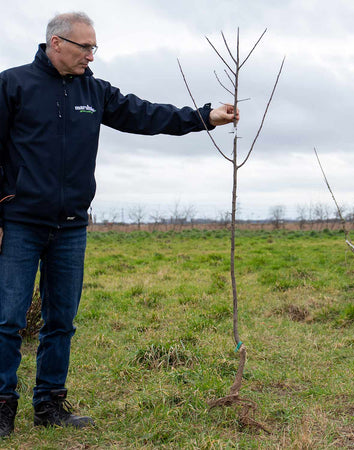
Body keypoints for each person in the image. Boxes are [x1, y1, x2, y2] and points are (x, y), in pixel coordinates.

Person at [0, 11, 238, 437]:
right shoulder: (13, 84)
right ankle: (2, 406)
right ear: (56, 43)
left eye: (94, 48)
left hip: (71, 225)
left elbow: (146, 115)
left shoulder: (95, 90)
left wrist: (205, 117)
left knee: (62, 321)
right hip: (20, 222)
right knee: (8, 320)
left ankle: (49, 405)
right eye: (84, 47)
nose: (91, 56)